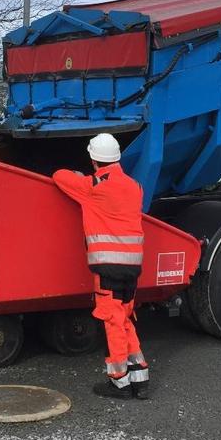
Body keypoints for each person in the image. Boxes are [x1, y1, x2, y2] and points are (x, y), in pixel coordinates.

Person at [53, 133, 150, 400]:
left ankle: (118, 381)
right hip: (132, 266)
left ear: (94, 160)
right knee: (124, 317)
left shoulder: (94, 185)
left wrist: (76, 172)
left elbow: (59, 176)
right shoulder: (135, 186)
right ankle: (139, 376)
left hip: (108, 267)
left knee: (112, 321)